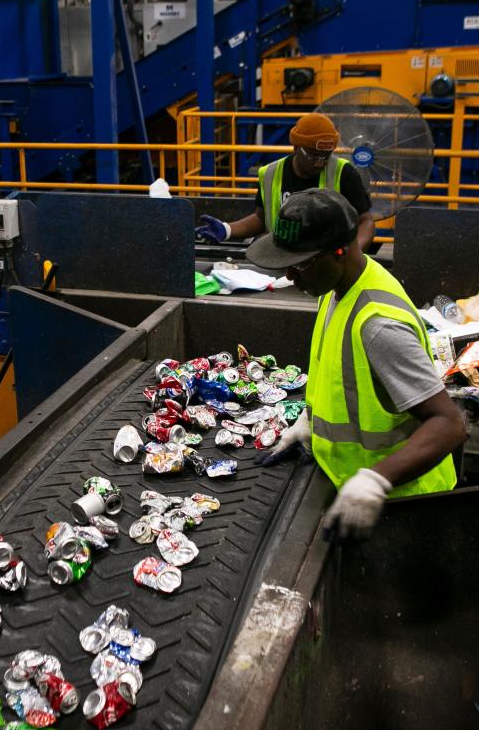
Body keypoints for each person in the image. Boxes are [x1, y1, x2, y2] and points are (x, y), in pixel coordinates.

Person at [247, 189, 464, 539]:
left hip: (404, 507)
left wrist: (375, 481)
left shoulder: (379, 326)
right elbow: (341, 379)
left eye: (300, 264)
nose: (290, 277)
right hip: (352, 491)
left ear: (339, 252)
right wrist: (309, 422)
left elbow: (449, 424)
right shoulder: (337, 287)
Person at [196, 111, 375, 250]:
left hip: (327, 264)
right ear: (296, 147)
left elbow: (366, 221)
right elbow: (261, 218)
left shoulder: (343, 173)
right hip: (282, 260)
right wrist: (227, 229)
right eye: (313, 157)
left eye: (326, 157)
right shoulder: (270, 174)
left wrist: (350, 253)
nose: (320, 163)